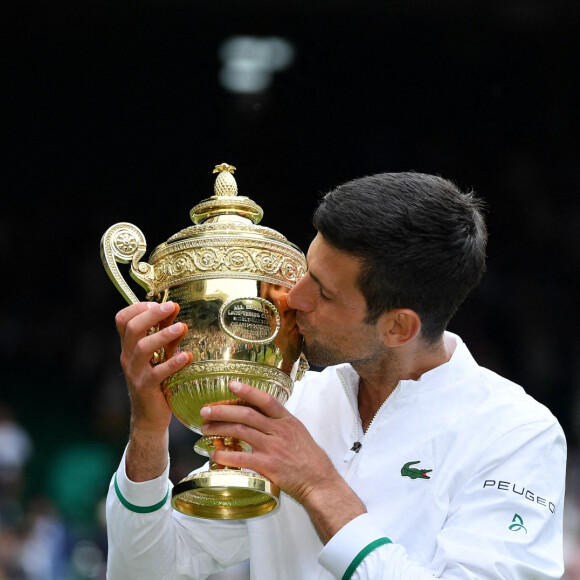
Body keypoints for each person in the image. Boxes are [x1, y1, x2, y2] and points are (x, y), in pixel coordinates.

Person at [106, 172, 566, 579]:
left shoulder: (517, 433)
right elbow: (146, 570)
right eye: (306, 271)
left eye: (323, 293)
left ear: (398, 326)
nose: (293, 298)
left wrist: (320, 486)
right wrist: (149, 430)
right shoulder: (292, 399)